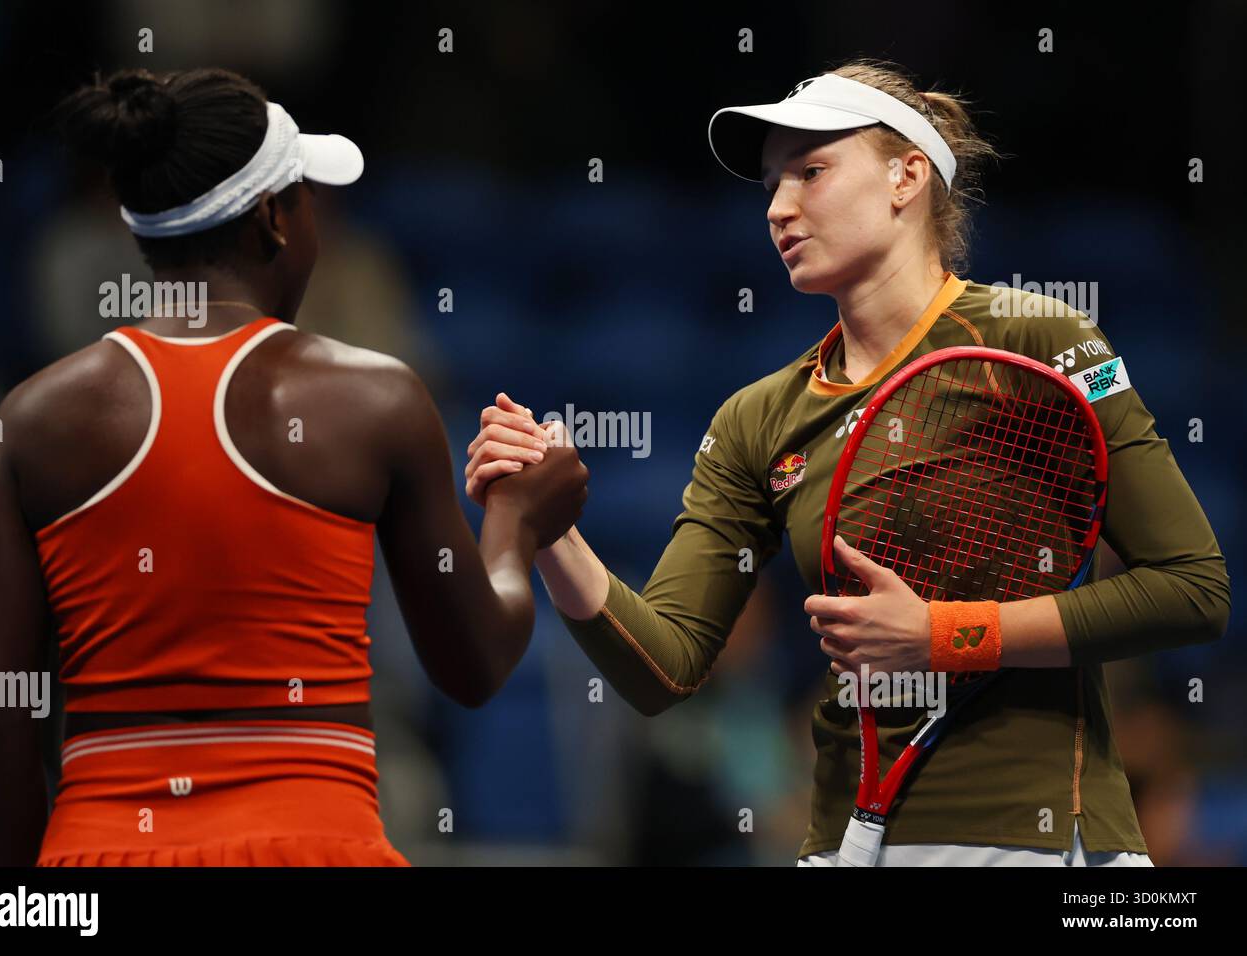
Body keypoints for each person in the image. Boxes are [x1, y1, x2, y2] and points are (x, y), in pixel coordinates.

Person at [464, 59, 1230, 865]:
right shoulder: (758, 417)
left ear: (906, 178)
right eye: (770, 184)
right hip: (842, 842)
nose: (779, 207)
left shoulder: (1043, 342)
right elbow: (664, 668)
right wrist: (552, 530)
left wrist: (944, 635)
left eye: (811, 171)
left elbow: (1191, 589)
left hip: (1040, 841)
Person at [0, 67, 587, 866]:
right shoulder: (374, 399)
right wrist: (518, 521)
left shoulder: (32, 418)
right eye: (309, 197)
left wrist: (36, 911)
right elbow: (474, 662)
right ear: (273, 220)